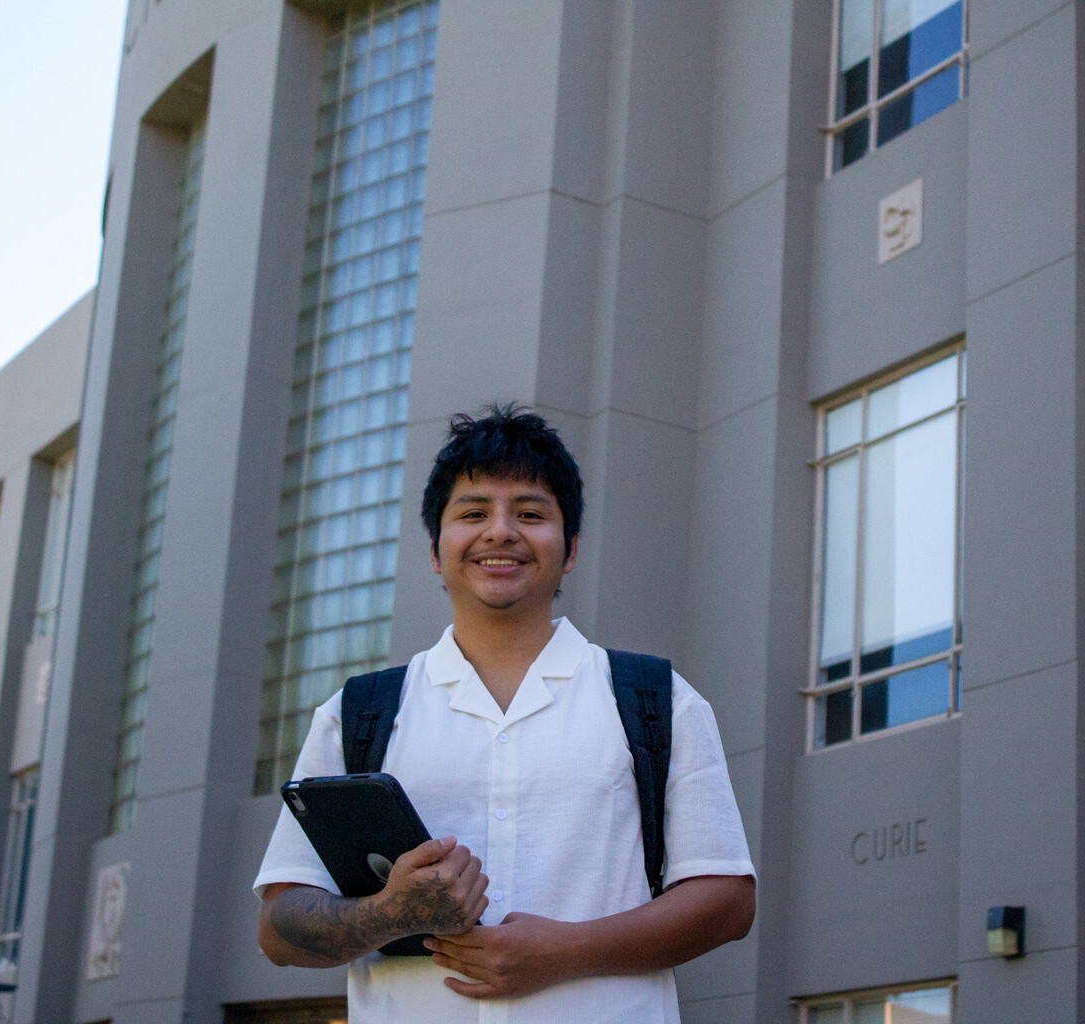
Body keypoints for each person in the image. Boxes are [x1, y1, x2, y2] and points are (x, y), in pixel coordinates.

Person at [254, 404, 755, 1022]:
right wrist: (389, 913)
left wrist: (565, 952)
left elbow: (728, 900)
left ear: (569, 550)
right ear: (436, 552)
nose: (500, 531)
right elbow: (279, 926)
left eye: (530, 513)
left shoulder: (656, 699)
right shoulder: (357, 713)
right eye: (472, 513)